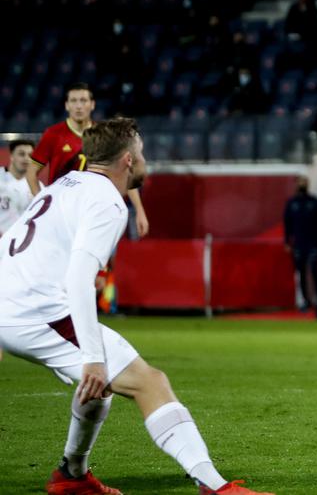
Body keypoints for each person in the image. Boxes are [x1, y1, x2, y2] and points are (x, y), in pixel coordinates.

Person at [0, 118, 271, 494]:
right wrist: (93, 355)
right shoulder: (108, 201)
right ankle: (215, 485)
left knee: (99, 387)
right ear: (128, 160)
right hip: (34, 312)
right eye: (142, 153)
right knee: (150, 382)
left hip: (14, 303)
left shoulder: (66, 184)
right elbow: (79, 277)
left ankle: (72, 476)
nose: (145, 161)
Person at [28, 83, 149, 238]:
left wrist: (139, 210)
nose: (78, 106)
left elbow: (126, 169)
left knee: (102, 258)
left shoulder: (105, 135)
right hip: (64, 213)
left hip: (96, 209)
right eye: (74, 101)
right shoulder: (53, 135)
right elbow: (31, 172)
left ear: (92, 105)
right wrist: (43, 204)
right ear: (67, 105)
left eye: (83, 100)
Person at [283, 176, 317, 313]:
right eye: (300, 182)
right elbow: (287, 224)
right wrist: (287, 242)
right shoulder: (292, 203)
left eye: (305, 182)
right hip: (298, 244)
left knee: (314, 270)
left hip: (313, 243)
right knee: (301, 273)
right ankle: (305, 300)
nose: (302, 184)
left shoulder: (314, 202)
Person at [1, 139, 39, 234]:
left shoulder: (36, 186)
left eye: (30, 155)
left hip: (22, 242)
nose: (26, 158)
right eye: (21, 154)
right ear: (11, 156)